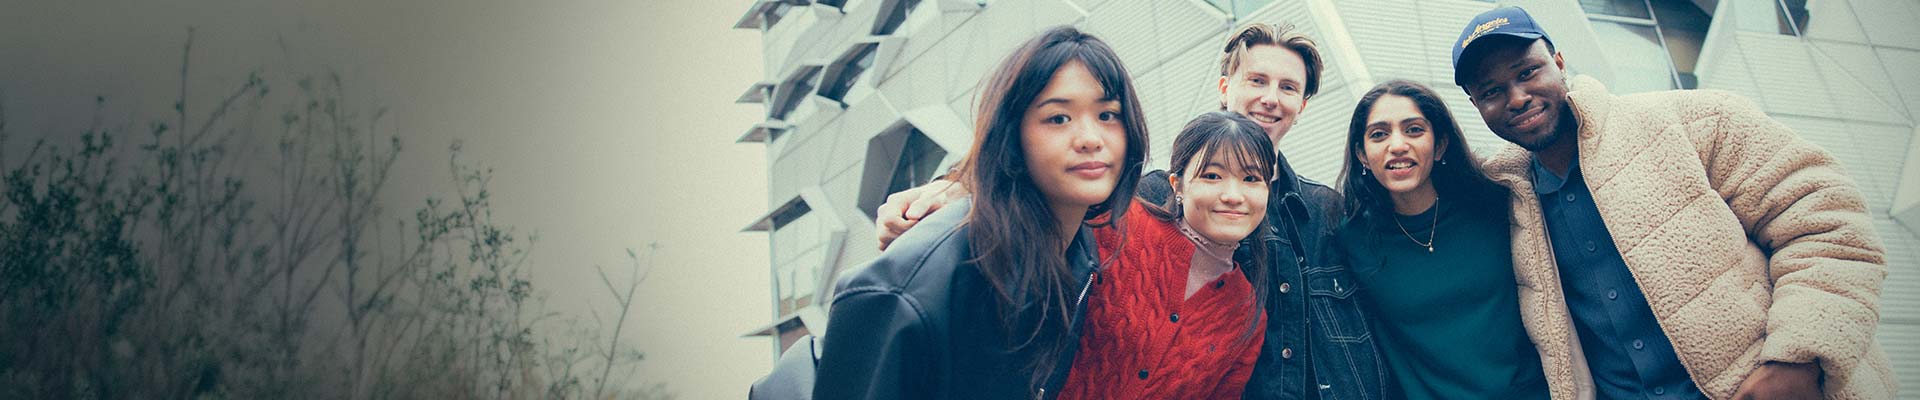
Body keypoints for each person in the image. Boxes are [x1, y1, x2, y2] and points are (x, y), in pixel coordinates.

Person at [871, 23, 1388, 399]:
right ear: (1226, 88)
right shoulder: (1134, 202)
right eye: (1257, 80)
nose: (1270, 98)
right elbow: (1037, 187)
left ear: (1304, 105)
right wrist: (953, 190)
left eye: (1288, 87)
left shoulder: (1325, 211)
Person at [1452, 6, 1895, 399]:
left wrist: (1798, 360)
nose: (1517, 97)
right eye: (1492, 91)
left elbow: (1828, 224)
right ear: (1476, 105)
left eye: (1527, 72)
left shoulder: (1695, 121)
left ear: (1559, 62)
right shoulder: (1503, 198)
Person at [811, 25, 1150, 399]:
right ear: (1012, 133)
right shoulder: (919, 283)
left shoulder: (1079, 252)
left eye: (1107, 115)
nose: (1090, 138)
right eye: (1058, 118)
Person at [1333, 79, 1547, 399]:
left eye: (1414, 130)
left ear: (1441, 145)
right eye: (1379, 134)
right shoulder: (1348, 243)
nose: (1397, 145)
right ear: (1362, 155)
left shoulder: (1498, 205)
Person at [1060, 111, 1277, 399]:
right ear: (1177, 185)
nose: (1233, 195)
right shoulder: (1118, 225)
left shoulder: (1246, 312)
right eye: (1212, 175)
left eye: (1251, 178)